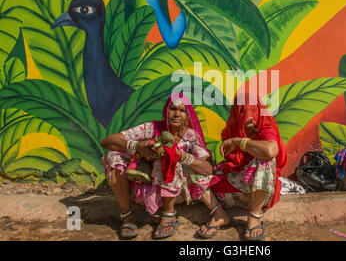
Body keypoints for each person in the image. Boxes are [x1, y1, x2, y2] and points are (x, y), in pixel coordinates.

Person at [101, 93, 214, 239]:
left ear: (187, 116)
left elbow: (207, 169)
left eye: (182, 110)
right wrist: (138, 146)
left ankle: (169, 215)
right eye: (173, 109)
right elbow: (107, 142)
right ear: (166, 110)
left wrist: (182, 156)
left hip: (175, 191)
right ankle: (128, 215)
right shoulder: (152, 128)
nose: (177, 114)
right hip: (143, 186)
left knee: (169, 156)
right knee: (113, 156)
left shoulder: (190, 136)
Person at [197, 92, 287, 241]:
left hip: (261, 192)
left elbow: (271, 151)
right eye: (243, 111)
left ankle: (254, 216)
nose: (249, 116)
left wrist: (240, 142)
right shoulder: (230, 132)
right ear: (236, 113)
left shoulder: (266, 129)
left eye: (253, 109)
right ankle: (219, 213)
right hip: (237, 190)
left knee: (266, 160)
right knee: (195, 172)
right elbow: (234, 165)